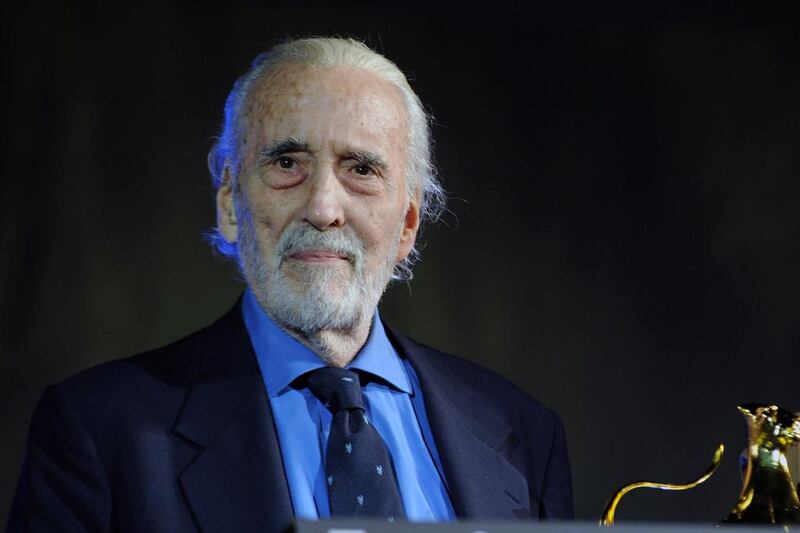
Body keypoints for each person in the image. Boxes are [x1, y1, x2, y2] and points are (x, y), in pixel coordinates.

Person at [7, 37, 573, 532]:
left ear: (407, 225)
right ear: (230, 202)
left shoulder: (522, 433)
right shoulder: (100, 431)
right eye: (287, 163)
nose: (324, 207)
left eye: (362, 169)